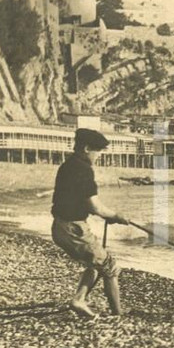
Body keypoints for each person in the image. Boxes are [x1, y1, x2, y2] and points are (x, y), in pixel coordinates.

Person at [50, 128, 130, 319]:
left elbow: (78, 200)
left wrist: (108, 216)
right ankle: (118, 314)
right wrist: (116, 216)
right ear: (86, 148)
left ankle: (79, 299)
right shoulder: (83, 169)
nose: (99, 155)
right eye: (98, 151)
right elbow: (94, 206)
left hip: (60, 226)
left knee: (96, 264)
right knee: (110, 266)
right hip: (73, 229)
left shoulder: (68, 165)